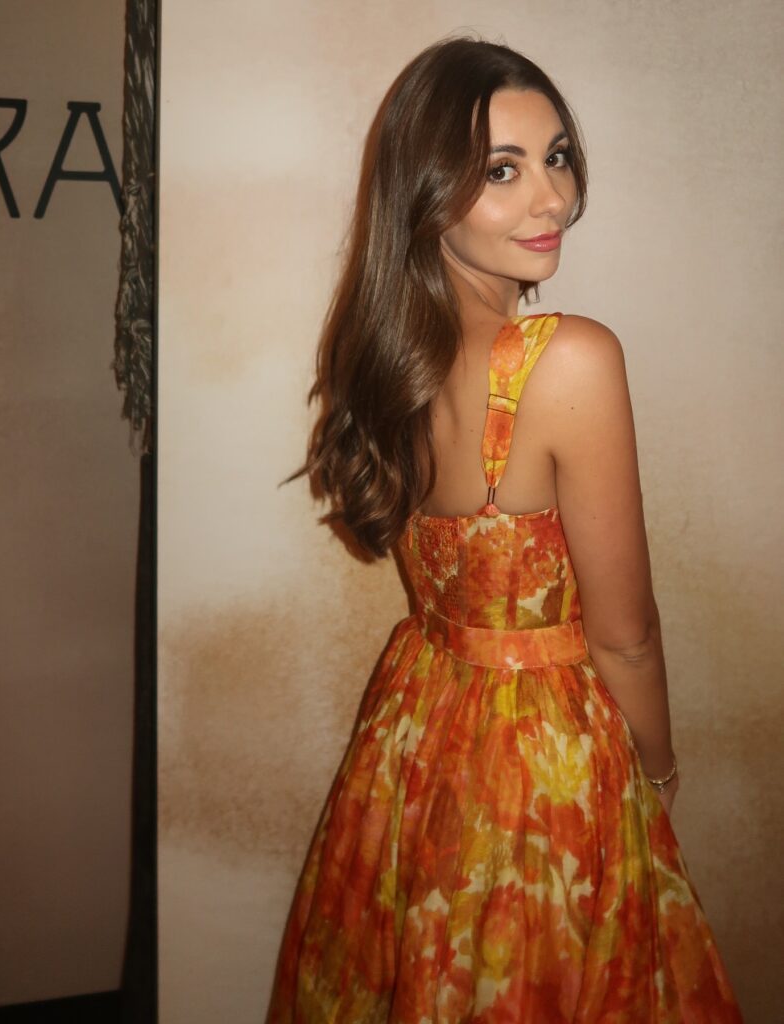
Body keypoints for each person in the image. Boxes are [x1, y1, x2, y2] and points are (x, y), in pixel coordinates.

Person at [265, 36, 744, 1023]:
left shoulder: (389, 356)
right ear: (428, 191)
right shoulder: (565, 358)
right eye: (502, 170)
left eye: (558, 157)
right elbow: (626, 633)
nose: (552, 200)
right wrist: (656, 773)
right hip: (544, 765)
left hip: (416, 736)